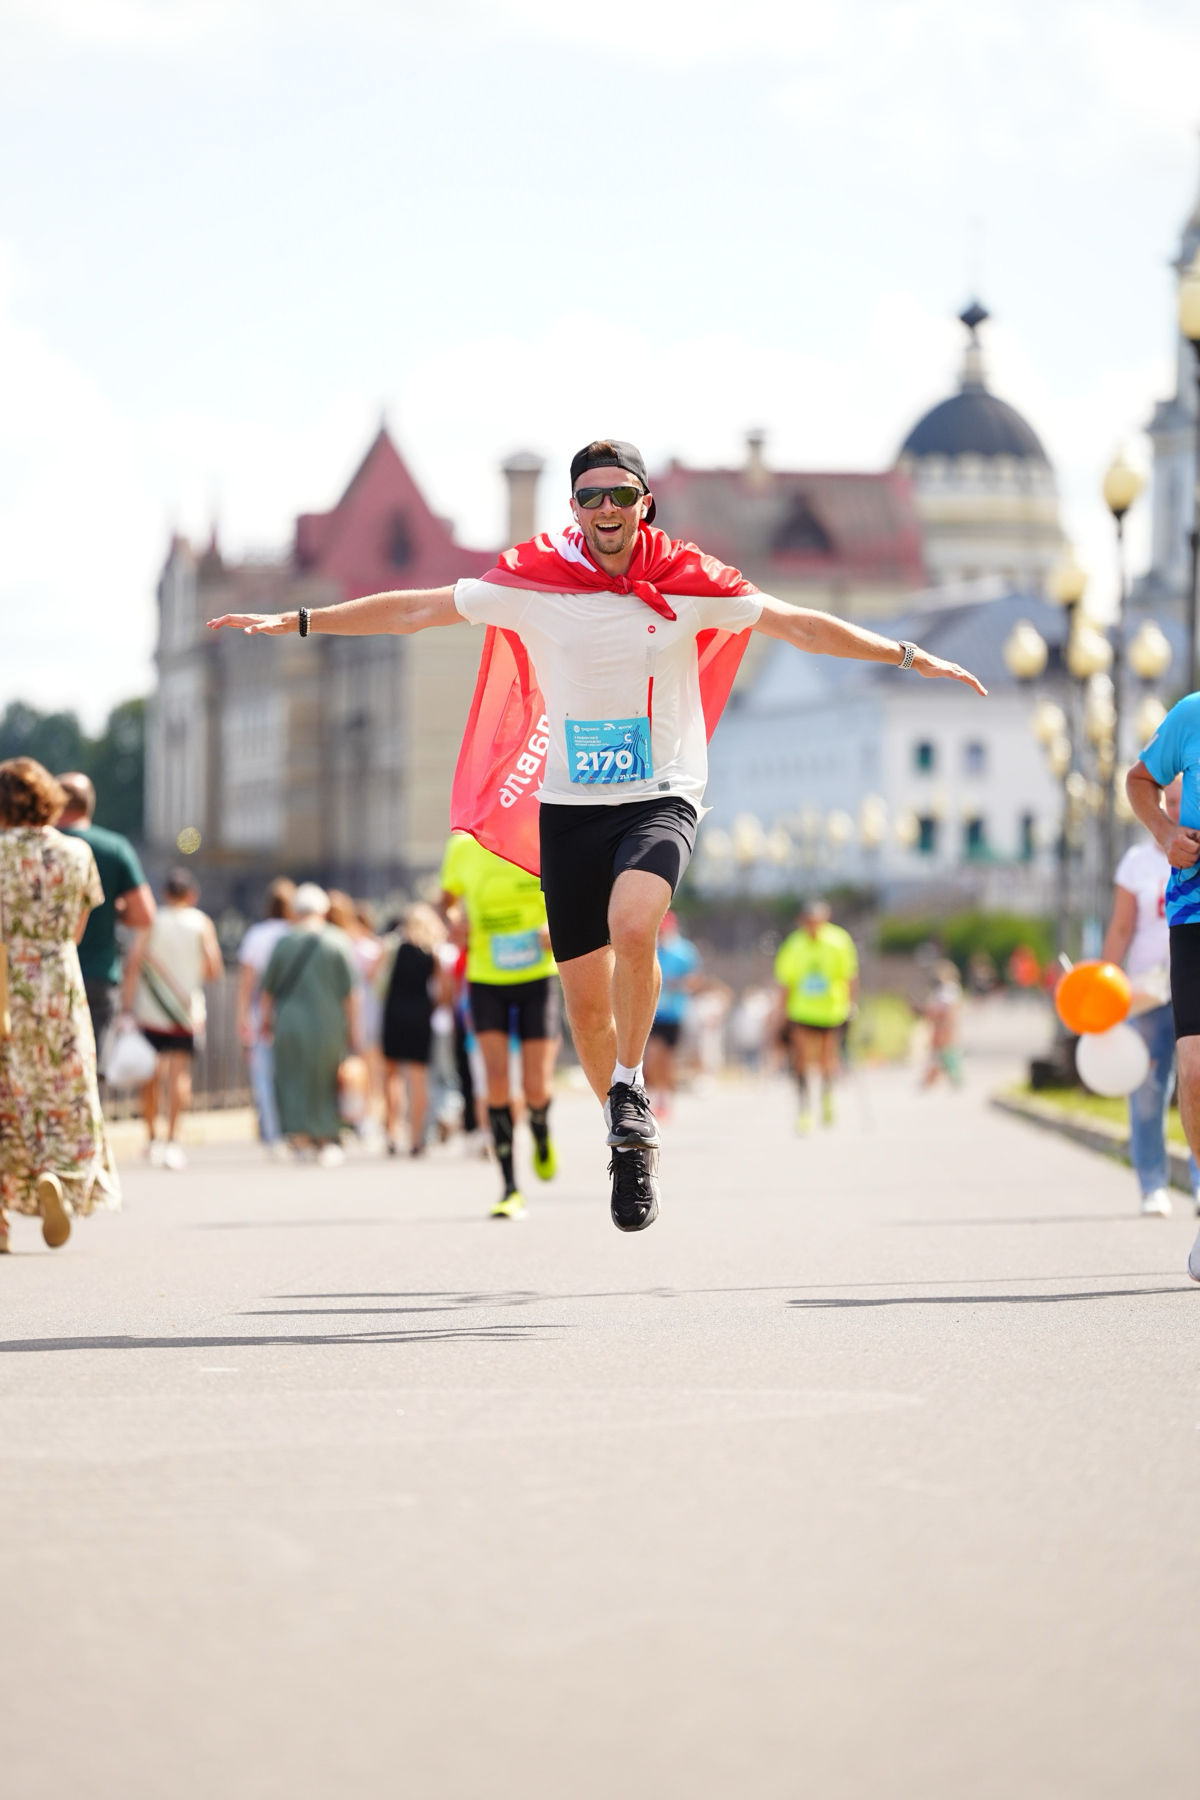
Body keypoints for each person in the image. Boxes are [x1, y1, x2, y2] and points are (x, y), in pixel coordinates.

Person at [208, 438, 985, 1231]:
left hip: (662, 795)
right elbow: (415, 609)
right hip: (570, 808)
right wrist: (300, 620)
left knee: (634, 924)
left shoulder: (690, 582)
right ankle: (627, 1121)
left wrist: (908, 654)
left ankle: (632, 1078)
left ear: (644, 502)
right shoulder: (535, 579)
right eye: (592, 497)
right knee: (584, 1010)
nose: (607, 509)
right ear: (574, 507)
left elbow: (800, 628)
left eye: (622, 495)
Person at [0, 757, 120, 1250]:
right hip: (61, 984)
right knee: (64, 1090)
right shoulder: (78, 854)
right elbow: (76, 928)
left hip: (8, 982)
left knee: (10, 1095)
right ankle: (58, 1172)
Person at [439, 831, 560, 1219]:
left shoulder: (541, 834)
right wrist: (456, 925)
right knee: (494, 1080)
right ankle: (509, 1187)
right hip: (486, 976)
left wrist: (556, 925)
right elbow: (447, 905)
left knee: (535, 1085)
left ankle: (540, 1128)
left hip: (537, 976)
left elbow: (574, 888)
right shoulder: (462, 844)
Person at [1103, 774, 1199, 1219]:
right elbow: (1121, 929)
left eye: (1186, 801)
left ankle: (1199, 1184)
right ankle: (1152, 1184)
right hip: (1147, 992)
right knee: (1148, 1090)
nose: (1178, 809)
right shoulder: (1137, 863)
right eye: (1171, 801)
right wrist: (1104, 983)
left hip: (1192, 982)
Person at [1126, 715, 1200, 1282]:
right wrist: (1165, 833)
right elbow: (1138, 781)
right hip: (1194, 910)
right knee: (1193, 1070)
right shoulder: (1193, 713)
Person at [124, 868, 222, 1170]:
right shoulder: (201, 923)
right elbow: (213, 969)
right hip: (185, 1012)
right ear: (192, 895)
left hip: (150, 1011)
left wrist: (127, 1008)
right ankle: (173, 1139)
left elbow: (133, 964)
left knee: (150, 1076)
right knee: (179, 1076)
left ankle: (152, 1136)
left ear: (165, 894)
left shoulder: (153, 921)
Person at [56, 771, 156, 1058]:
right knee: (91, 1069)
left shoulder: (42, 847)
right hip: (98, 972)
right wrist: (111, 908)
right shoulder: (113, 847)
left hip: (46, 972)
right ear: (89, 804)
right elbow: (144, 916)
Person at [260, 882, 359, 1166]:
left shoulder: (284, 941)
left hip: (289, 1021)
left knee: (292, 1077)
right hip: (328, 1022)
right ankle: (326, 1137)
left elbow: (267, 990)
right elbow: (351, 994)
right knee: (326, 1078)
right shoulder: (337, 940)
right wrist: (354, 1029)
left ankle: (299, 1137)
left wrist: (264, 1023)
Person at [774, 900, 859, 1132]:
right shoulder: (794, 945)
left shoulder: (839, 941)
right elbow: (785, 981)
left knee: (826, 1058)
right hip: (802, 1010)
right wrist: (781, 1011)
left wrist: (851, 1003)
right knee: (801, 1059)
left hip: (832, 1010)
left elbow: (849, 975)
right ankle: (804, 1109)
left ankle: (827, 1095)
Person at [381, 902, 447, 1158]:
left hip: (394, 1012)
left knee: (392, 1077)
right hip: (421, 1014)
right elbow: (443, 993)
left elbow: (375, 976)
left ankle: (392, 1133)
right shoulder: (434, 953)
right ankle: (416, 1138)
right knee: (419, 1080)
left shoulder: (392, 947)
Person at [236, 877, 296, 1154]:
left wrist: (243, 1019)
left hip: (263, 1010)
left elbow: (246, 984)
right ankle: (294, 1129)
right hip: (294, 1009)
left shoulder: (257, 935)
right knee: (292, 1074)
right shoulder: (298, 935)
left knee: (264, 1076)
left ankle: (273, 1135)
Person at [643, 911, 702, 1118]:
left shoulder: (684, 951)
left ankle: (664, 1100)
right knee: (652, 1058)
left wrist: (677, 984)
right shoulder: (650, 948)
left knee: (667, 1062)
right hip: (652, 1012)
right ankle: (651, 1099)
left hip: (675, 1014)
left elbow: (695, 981)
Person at [921, 959, 965, 1089]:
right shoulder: (940, 990)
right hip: (939, 1022)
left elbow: (950, 1007)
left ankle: (953, 1076)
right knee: (937, 1052)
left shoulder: (950, 989)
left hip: (945, 1023)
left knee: (947, 1051)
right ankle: (932, 1077)